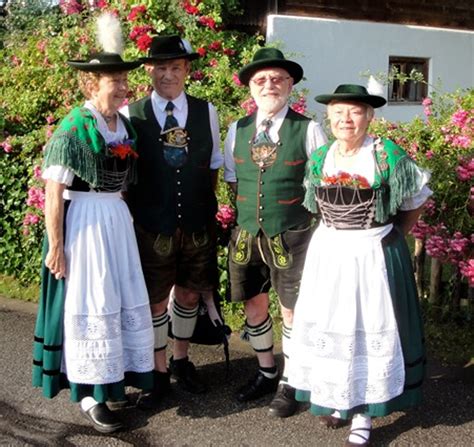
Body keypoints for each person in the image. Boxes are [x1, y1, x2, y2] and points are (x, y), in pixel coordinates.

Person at [288, 84, 431, 446]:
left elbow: (417, 196)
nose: (345, 119)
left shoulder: (387, 155)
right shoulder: (321, 157)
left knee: (366, 326)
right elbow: (314, 205)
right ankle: (338, 399)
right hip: (329, 253)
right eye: (338, 112)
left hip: (372, 254)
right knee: (331, 323)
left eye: (354, 112)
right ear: (329, 117)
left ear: (369, 117)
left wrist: (395, 231)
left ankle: (364, 412)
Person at [32, 13, 154, 434]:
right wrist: (56, 245)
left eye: (123, 80)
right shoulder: (74, 126)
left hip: (115, 219)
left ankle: (113, 378)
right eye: (112, 81)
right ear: (92, 84)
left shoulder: (123, 125)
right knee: (91, 300)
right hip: (84, 220)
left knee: (117, 297)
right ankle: (89, 393)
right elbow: (53, 189)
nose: (121, 87)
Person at [224, 47, 327, 418]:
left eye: (277, 79)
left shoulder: (309, 129)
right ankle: (267, 371)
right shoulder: (237, 129)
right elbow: (234, 181)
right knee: (254, 302)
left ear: (290, 85)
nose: (270, 85)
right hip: (249, 233)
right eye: (261, 80)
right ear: (251, 87)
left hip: (293, 232)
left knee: (292, 311)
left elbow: (319, 185)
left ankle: (292, 381)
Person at [123, 35, 223, 408]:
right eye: (161, 67)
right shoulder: (132, 115)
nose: (168, 75)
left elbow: (212, 166)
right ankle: (158, 372)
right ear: (150, 70)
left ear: (187, 71)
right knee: (152, 303)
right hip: (151, 225)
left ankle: (181, 360)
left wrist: (198, 205)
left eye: (176, 67)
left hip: (196, 224)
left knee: (189, 294)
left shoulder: (205, 110)